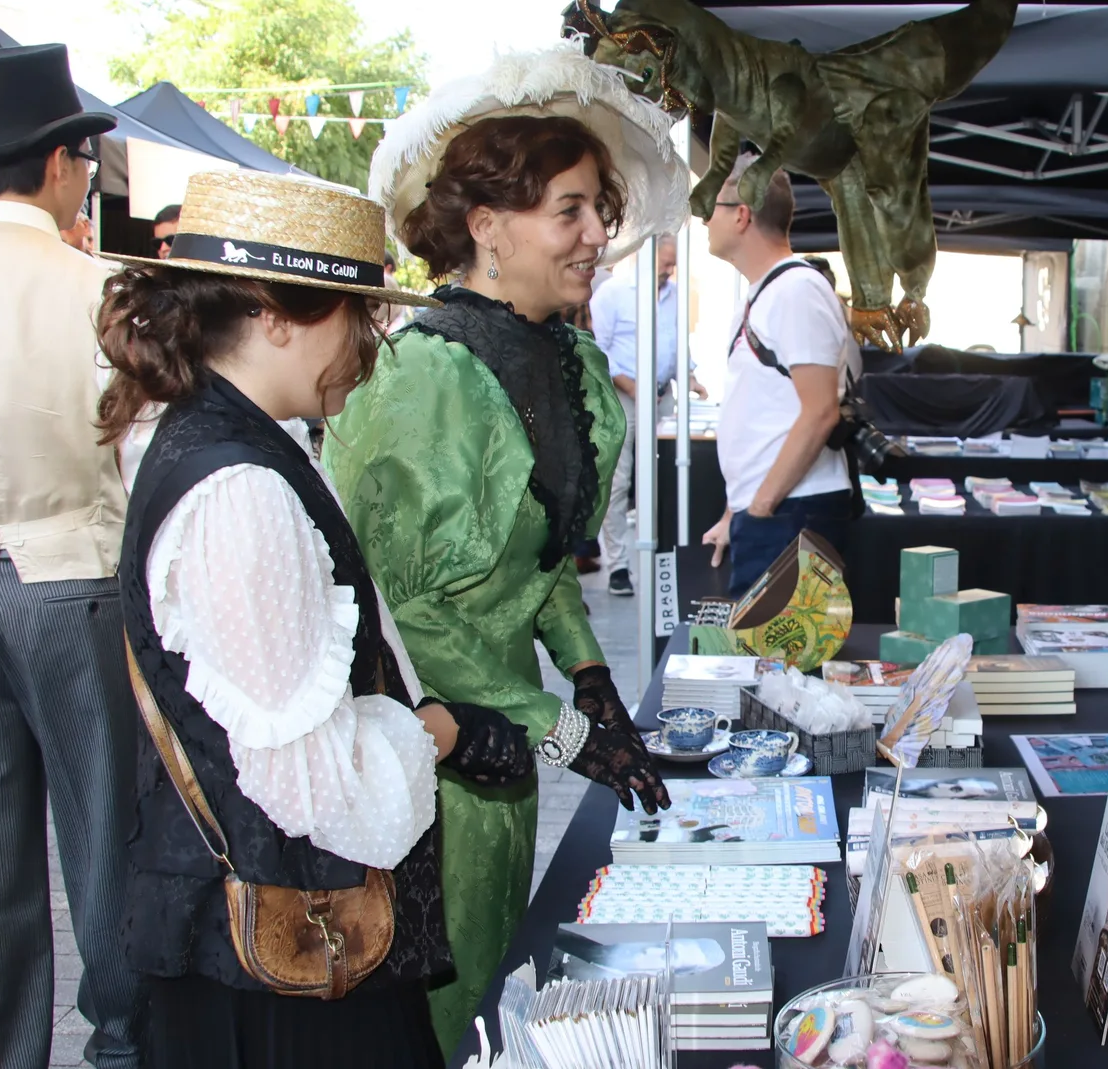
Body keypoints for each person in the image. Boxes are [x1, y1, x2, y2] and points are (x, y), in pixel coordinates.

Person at [96, 170, 538, 1068]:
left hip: (282, 955)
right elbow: (314, 784)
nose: (373, 344)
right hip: (284, 973)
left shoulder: (229, 440)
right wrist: (440, 733)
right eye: (358, 316)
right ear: (273, 312)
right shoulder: (240, 489)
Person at [331, 46, 680, 1050]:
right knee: (448, 991)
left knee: (488, 966)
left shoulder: (565, 356)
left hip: (507, 746)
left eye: (595, 209)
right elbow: (422, 610)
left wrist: (590, 678)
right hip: (434, 750)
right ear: (485, 227)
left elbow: (539, 553)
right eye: (566, 210)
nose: (594, 236)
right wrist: (564, 730)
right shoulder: (426, 373)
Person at [0, 44, 142, 1069]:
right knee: (108, 836)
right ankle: (127, 1043)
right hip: (71, 581)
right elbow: (141, 452)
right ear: (60, 164)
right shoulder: (100, 286)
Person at [701, 156, 860, 596]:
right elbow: (771, 413)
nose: (702, 219)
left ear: (742, 215)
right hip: (776, 509)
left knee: (779, 661)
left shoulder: (795, 290)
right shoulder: (766, 291)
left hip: (792, 509)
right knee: (763, 659)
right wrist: (738, 514)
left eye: (710, 206)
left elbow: (821, 412)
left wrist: (761, 507)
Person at [590, 233, 707, 597]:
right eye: (666, 263)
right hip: (623, 395)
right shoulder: (613, 294)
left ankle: (665, 552)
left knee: (666, 477)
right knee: (619, 480)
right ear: (646, 257)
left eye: (674, 264)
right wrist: (630, 386)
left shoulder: (673, 294)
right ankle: (619, 565)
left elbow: (677, 342)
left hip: (661, 395)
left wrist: (690, 378)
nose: (670, 270)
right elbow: (599, 350)